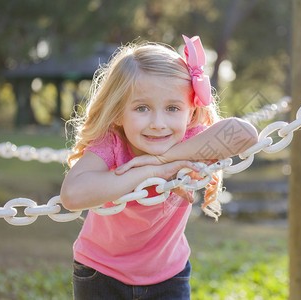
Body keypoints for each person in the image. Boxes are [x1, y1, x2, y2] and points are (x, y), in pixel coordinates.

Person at [60, 35, 258, 299]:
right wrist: (151, 171)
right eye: (142, 108)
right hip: (100, 272)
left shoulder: (192, 141)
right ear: (118, 112)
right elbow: (72, 195)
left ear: (190, 111)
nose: (158, 123)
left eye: (173, 108)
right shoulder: (113, 143)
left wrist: (165, 159)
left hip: (169, 276)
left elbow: (245, 134)